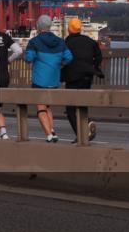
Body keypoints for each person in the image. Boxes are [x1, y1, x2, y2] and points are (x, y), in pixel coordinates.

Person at [24, 15, 72, 143]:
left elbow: (29, 58)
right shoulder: (60, 41)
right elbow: (69, 57)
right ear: (50, 26)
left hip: (39, 81)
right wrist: (59, 64)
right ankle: (52, 131)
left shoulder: (34, 42)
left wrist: (31, 56)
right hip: (54, 81)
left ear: (38, 26)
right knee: (48, 107)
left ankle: (49, 135)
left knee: (41, 108)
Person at [61, 16, 103, 144]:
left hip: (73, 77)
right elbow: (99, 57)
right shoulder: (90, 41)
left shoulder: (66, 42)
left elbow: (63, 58)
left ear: (69, 29)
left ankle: (81, 134)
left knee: (70, 109)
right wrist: (93, 67)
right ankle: (87, 125)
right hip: (88, 76)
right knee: (82, 104)